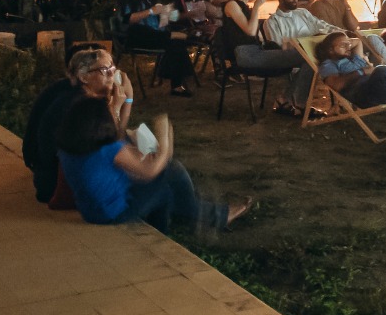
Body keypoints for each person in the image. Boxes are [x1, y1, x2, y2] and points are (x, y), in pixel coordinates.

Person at [56, 100, 249, 234]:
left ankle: (175, 228)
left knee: (165, 189)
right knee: (171, 171)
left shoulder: (70, 147)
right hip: (112, 213)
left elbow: (128, 164)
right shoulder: (108, 150)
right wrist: (165, 136)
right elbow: (151, 171)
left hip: (90, 211)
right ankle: (212, 215)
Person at [23, 46, 132, 205]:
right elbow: (114, 144)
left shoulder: (73, 91)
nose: (111, 75)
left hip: (47, 170)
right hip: (56, 182)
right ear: (84, 76)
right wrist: (122, 104)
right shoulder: (79, 104)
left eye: (112, 68)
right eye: (103, 70)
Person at [116, 0, 196, 96]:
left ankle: (176, 85)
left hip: (157, 34)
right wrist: (151, 11)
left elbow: (161, 19)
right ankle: (173, 79)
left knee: (177, 42)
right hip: (136, 36)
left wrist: (167, 14)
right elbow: (127, 19)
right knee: (173, 38)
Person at [264, 0, 343, 110]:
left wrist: (341, 33)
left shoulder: (303, 13)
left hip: (314, 53)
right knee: (310, 62)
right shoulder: (272, 22)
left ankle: (342, 102)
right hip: (292, 57)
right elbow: (278, 48)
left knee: (340, 52)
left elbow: (321, 25)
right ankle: (298, 102)